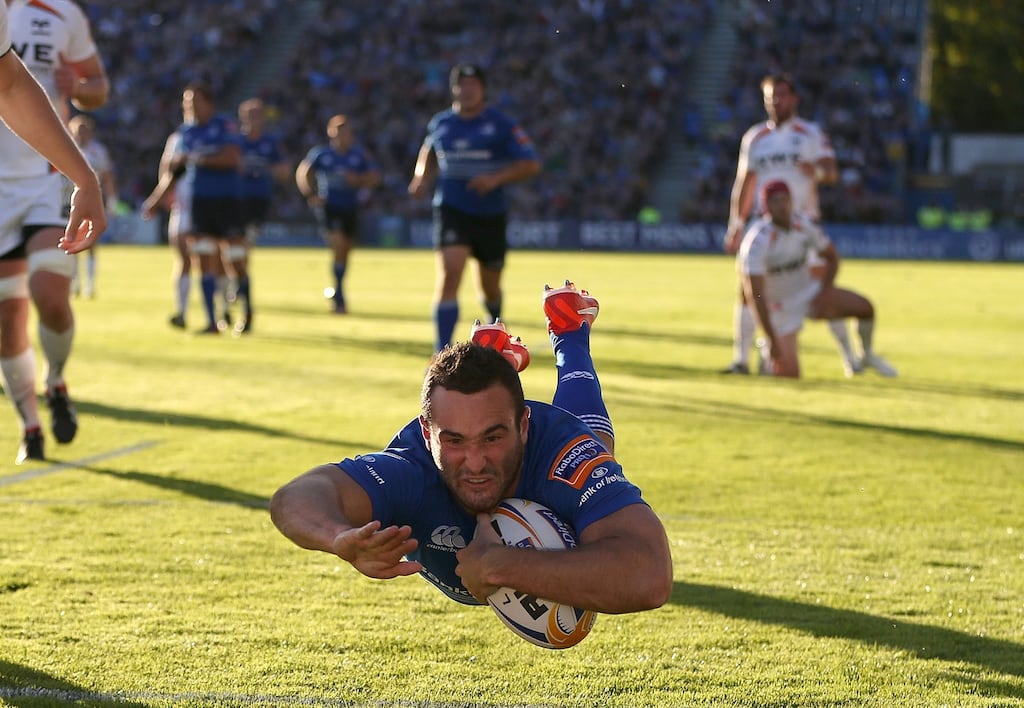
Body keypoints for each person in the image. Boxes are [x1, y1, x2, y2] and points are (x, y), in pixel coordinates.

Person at [270, 280, 673, 615]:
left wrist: (502, 567)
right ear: (427, 434)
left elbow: (649, 575)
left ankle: (569, 333)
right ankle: (496, 364)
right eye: (455, 441)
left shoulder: (562, 455)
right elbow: (295, 498)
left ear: (523, 425)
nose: (475, 463)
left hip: (553, 443)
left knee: (595, 443)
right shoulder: (413, 466)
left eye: (493, 438)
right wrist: (339, 537)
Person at [0, 0, 108, 464]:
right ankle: (30, 425)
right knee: (7, 324)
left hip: (42, 179)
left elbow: (10, 85)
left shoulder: (63, 12)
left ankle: (56, 379)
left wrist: (81, 89)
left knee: (50, 295)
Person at [721, 73, 860, 376]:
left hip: (803, 224)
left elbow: (831, 171)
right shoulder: (755, 137)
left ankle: (851, 358)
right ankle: (741, 360)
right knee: (747, 289)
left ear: (794, 98)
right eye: (770, 97)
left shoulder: (809, 133)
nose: (775, 101)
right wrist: (737, 223)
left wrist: (818, 173)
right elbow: (745, 183)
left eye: (781, 95)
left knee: (820, 287)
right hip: (765, 226)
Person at [407, 63, 541, 352]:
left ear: (482, 90)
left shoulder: (502, 125)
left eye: (473, 85)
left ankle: (495, 328)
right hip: (451, 209)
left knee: (490, 286)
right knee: (450, 274)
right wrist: (420, 177)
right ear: (454, 89)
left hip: (489, 214)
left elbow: (530, 163)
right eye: (461, 85)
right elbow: (429, 150)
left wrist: (495, 179)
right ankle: (440, 351)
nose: (466, 90)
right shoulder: (441, 123)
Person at [737, 180, 897, 379]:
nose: (781, 205)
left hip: (808, 292)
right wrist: (772, 339)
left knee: (865, 307)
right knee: (789, 375)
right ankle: (767, 349)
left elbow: (832, 257)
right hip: (779, 306)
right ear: (765, 206)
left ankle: (866, 355)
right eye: (775, 201)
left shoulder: (803, 225)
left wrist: (824, 290)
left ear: (791, 200)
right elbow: (756, 294)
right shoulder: (757, 241)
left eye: (784, 199)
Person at [166, 80, 242, 335]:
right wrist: (159, 197)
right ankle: (212, 320)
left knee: (231, 259)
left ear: (209, 103)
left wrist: (200, 159)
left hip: (226, 200)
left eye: (195, 101)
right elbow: (175, 169)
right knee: (203, 256)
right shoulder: (184, 133)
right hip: (198, 203)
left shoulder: (225, 125)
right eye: (187, 102)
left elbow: (231, 158)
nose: (190, 106)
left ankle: (235, 308)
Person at [295, 114, 380, 314]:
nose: (342, 136)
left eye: (345, 132)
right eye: (337, 132)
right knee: (338, 243)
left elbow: (375, 177)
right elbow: (303, 172)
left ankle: (338, 287)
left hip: (350, 207)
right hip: (330, 207)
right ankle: (339, 295)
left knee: (344, 250)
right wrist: (311, 194)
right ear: (331, 133)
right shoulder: (322, 154)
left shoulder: (358, 155)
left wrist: (358, 179)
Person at [229, 97, 289, 333]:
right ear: (242, 117)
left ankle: (239, 290)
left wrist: (271, 169)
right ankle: (236, 288)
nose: (254, 119)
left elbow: (284, 173)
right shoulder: (236, 142)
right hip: (234, 200)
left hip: (258, 202)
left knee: (242, 249)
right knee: (237, 250)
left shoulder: (271, 143)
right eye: (249, 114)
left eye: (258, 114)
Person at [141, 128, 196, 330]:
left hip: (206, 204)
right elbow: (168, 170)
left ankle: (221, 309)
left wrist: (157, 199)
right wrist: (161, 196)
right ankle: (182, 312)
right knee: (185, 258)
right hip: (182, 206)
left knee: (211, 259)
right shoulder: (178, 138)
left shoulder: (210, 135)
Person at [67, 114, 116, 299]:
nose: (82, 135)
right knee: (70, 241)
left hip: (92, 201)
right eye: (78, 131)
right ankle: (75, 283)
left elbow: (108, 176)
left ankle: (90, 285)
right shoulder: (66, 148)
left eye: (84, 131)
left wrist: (111, 200)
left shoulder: (98, 151)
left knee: (90, 243)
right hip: (69, 201)